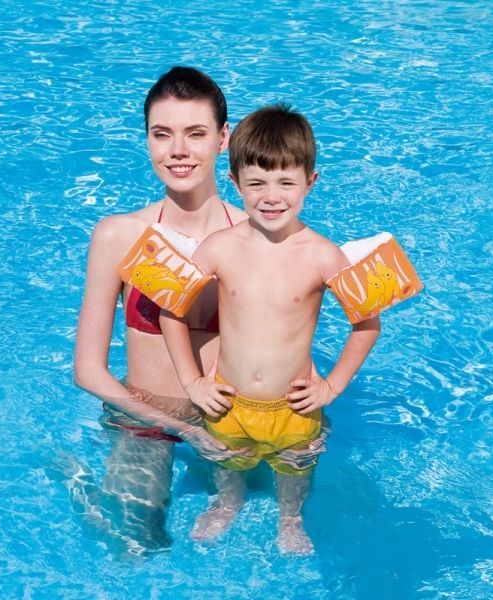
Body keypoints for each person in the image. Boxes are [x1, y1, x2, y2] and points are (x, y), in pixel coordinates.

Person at [158, 104, 383, 554]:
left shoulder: (324, 255)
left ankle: (290, 518)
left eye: (286, 183)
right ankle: (228, 503)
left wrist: (332, 386)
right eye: (257, 183)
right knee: (228, 461)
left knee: (295, 467)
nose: (271, 196)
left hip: (293, 406)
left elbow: (367, 324)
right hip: (228, 400)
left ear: (310, 182)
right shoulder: (219, 247)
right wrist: (193, 381)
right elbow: (170, 310)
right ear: (235, 182)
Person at [72, 66, 250, 552]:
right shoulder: (119, 235)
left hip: (231, 423)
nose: (178, 150)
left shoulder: (256, 237)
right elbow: (88, 371)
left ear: (223, 139)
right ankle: (74, 479)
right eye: (162, 134)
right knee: (135, 546)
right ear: (147, 140)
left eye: (195, 133)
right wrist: (184, 428)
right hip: (144, 422)